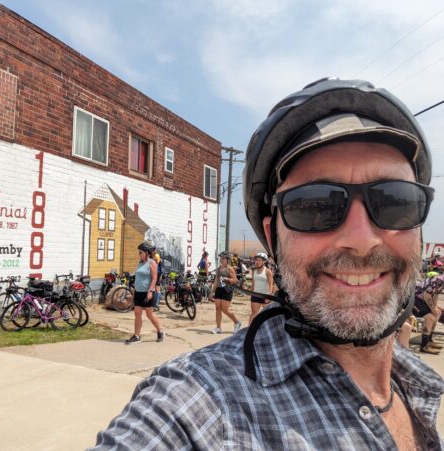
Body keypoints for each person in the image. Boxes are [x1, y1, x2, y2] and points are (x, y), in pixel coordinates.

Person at [92, 78, 443, 449]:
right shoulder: (201, 405)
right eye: (314, 206)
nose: (361, 240)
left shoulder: (417, 382)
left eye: (395, 201)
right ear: (273, 237)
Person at [124, 242, 164, 344]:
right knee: (137, 313)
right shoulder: (140, 263)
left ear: (146, 253)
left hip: (147, 293)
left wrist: (150, 291)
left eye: (140, 252)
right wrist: (134, 288)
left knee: (149, 314)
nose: (139, 254)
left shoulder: (152, 263)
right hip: (138, 292)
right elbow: (139, 277)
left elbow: (154, 278)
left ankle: (160, 331)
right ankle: (137, 336)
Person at [209, 251, 242, 334]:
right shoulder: (219, 269)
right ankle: (218, 328)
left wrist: (228, 279)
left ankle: (237, 322)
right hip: (219, 290)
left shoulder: (230, 268)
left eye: (223, 258)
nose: (221, 260)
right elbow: (216, 281)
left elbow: (235, 280)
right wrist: (211, 292)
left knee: (225, 310)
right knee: (218, 308)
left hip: (227, 290)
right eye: (221, 258)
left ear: (227, 259)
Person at [248, 252, 274, 325]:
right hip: (255, 295)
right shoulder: (254, 271)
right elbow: (253, 283)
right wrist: (251, 293)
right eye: (256, 260)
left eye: (259, 260)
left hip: (265, 295)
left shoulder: (268, 271)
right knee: (254, 313)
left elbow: (271, 284)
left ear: (264, 261)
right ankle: (249, 330)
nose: (257, 262)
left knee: (267, 314)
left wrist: (269, 295)